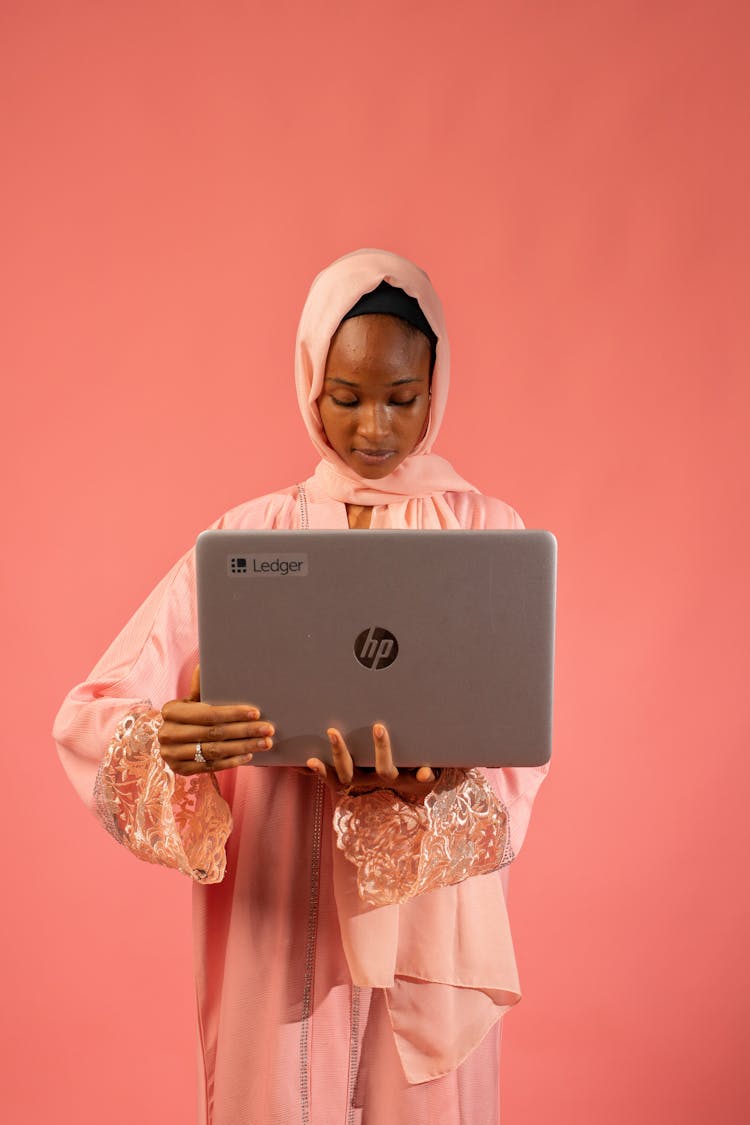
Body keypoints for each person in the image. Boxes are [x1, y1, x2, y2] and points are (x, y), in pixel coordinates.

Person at [54, 248, 548, 1125]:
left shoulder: (487, 535)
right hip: (277, 914)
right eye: (347, 395)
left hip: (428, 933)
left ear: (437, 387)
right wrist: (171, 738)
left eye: (402, 397)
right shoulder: (250, 536)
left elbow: (517, 750)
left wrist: (431, 795)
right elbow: (96, 713)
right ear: (309, 382)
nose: (374, 427)